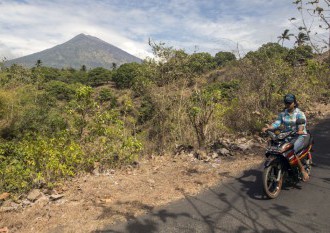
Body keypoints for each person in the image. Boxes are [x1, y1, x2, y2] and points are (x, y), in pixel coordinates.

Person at [262, 93, 309, 181]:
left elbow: (302, 124)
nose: (287, 104)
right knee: (277, 148)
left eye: (289, 103)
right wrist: (269, 128)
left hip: (298, 135)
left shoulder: (299, 114)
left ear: (294, 103)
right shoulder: (282, 114)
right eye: (286, 103)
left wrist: (300, 129)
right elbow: (277, 123)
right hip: (286, 135)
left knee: (292, 150)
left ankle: (302, 170)